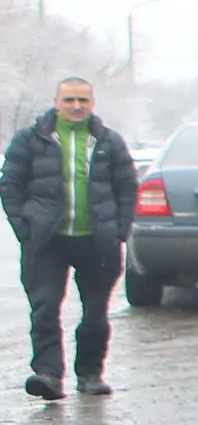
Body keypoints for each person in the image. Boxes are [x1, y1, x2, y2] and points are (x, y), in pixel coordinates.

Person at [6, 76, 139, 401]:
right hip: (46, 241)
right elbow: (10, 184)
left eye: (83, 100)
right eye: (69, 100)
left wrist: (119, 230)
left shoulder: (108, 142)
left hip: (98, 240)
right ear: (56, 102)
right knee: (44, 309)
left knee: (96, 312)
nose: (76, 106)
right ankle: (48, 374)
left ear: (92, 103)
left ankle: (90, 374)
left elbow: (127, 187)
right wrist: (24, 228)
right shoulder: (30, 140)